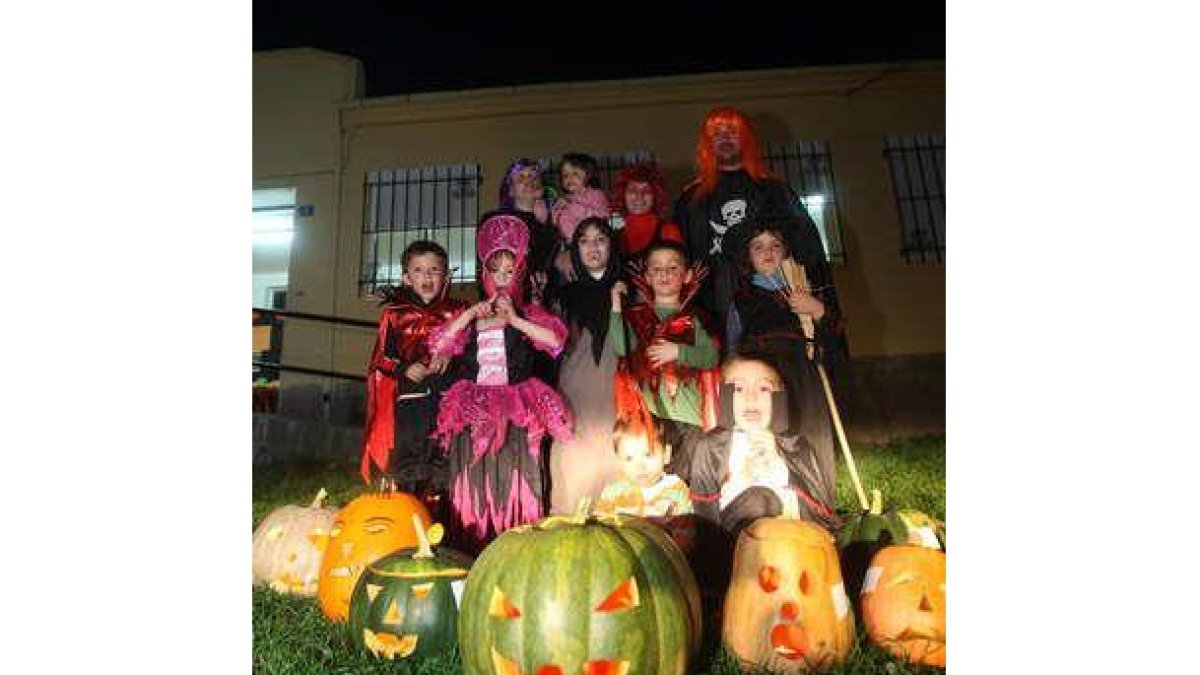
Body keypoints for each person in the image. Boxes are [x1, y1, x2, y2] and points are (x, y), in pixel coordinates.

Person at [428, 213, 573, 554]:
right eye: (496, 272)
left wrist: (516, 320)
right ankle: (473, 546)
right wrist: (467, 315)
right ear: (485, 274)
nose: (503, 280)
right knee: (474, 475)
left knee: (514, 474)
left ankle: (519, 551)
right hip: (476, 407)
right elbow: (438, 345)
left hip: (516, 408)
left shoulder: (527, 313)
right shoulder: (472, 315)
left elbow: (555, 342)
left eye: (510, 272)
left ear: (519, 272)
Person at [672, 106, 844, 347]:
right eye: (716, 133)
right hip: (712, 304)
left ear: (746, 138)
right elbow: (677, 256)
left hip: (772, 306)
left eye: (732, 131)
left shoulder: (774, 190)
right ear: (707, 143)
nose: (724, 137)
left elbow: (807, 248)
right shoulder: (692, 199)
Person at [726, 220, 838, 498]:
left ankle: (815, 498)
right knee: (772, 432)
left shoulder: (803, 289)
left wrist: (816, 310)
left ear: (786, 252)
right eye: (758, 246)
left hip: (801, 373)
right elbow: (733, 343)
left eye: (776, 245)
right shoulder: (743, 298)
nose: (768, 252)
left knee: (807, 429)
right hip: (764, 377)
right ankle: (770, 494)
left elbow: (831, 336)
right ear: (748, 257)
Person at [359, 241, 464, 521]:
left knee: (445, 462)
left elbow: (473, 351)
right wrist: (406, 368)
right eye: (418, 271)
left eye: (434, 270)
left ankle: (446, 527)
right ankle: (408, 522)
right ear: (406, 277)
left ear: (446, 275)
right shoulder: (394, 315)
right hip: (410, 404)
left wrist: (452, 356)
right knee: (410, 464)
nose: (427, 277)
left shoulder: (459, 313)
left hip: (447, 402)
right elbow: (382, 358)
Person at [609, 239, 720, 484]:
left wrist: (679, 352)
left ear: (687, 275)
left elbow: (711, 356)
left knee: (689, 483)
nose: (664, 274)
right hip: (652, 420)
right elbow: (620, 345)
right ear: (647, 277)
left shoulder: (697, 318)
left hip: (689, 420)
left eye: (672, 268)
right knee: (657, 487)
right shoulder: (638, 317)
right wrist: (616, 303)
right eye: (656, 269)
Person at [689, 355, 839, 536]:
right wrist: (744, 476)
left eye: (763, 388)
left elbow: (817, 505)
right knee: (760, 500)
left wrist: (777, 458)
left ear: (779, 396)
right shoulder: (711, 447)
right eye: (738, 388)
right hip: (738, 541)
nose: (751, 397)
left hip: (794, 539)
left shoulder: (795, 446)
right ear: (724, 395)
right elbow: (705, 514)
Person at [548, 217, 623, 514]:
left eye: (601, 239)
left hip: (617, 394)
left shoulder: (627, 290)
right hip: (574, 395)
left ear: (611, 246)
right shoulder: (561, 297)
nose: (593, 247)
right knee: (574, 478)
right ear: (575, 249)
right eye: (584, 241)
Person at [608, 161, 684, 258]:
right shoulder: (614, 236)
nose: (639, 196)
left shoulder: (668, 231)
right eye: (632, 190)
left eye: (647, 191)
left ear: (656, 196)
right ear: (622, 195)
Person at [550, 151, 611, 244]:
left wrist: (572, 206)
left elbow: (601, 216)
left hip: (592, 243)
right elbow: (556, 222)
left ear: (588, 175)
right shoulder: (564, 198)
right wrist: (556, 212)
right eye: (565, 175)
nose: (569, 178)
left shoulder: (596, 194)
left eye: (575, 174)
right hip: (569, 243)